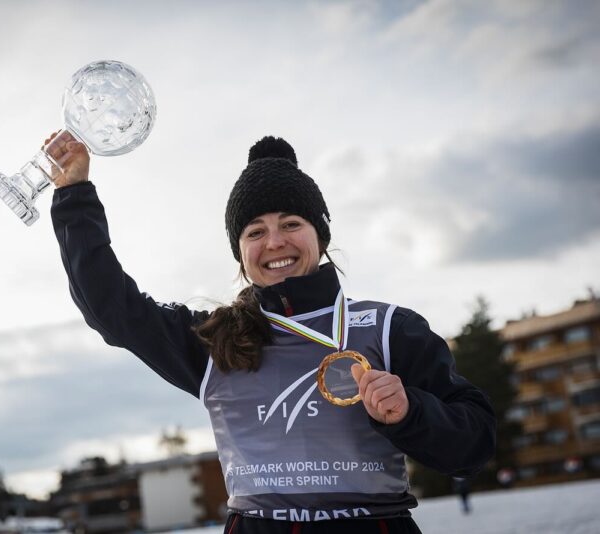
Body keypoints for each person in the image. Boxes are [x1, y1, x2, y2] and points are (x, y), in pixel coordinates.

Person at [48, 131, 496, 533]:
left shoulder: (388, 329)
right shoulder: (213, 339)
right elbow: (111, 308)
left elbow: (473, 445)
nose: (275, 242)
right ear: (240, 253)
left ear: (320, 236)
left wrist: (411, 411)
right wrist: (74, 196)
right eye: (255, 231)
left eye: (291, 224)